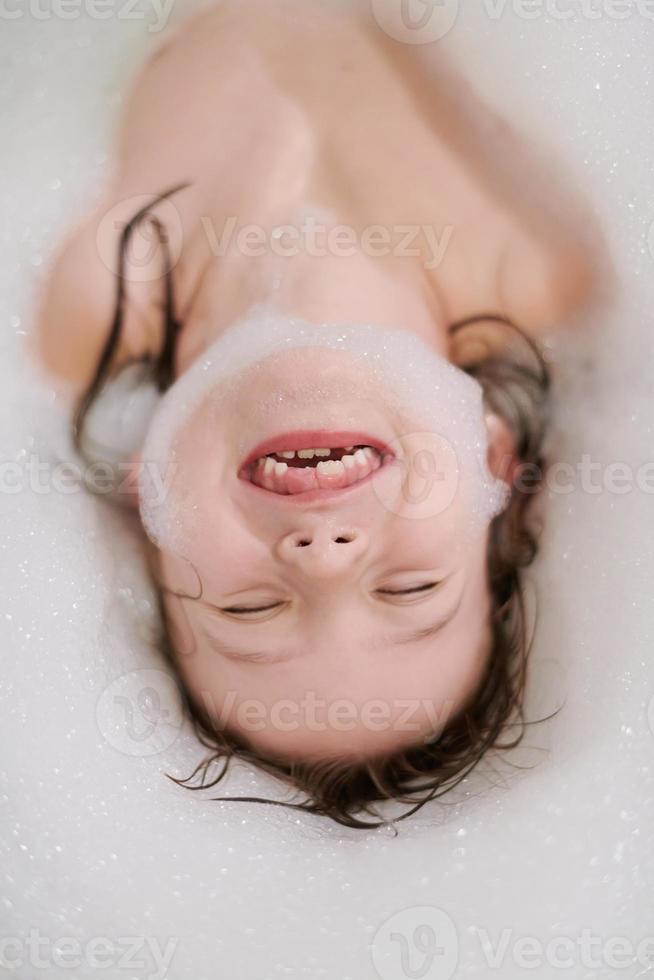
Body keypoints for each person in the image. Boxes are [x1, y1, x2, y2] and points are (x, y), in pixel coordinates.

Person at [34, 0, 593, 827]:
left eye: (250, 609)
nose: (324, 557)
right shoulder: (533, 262)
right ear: (494, 463)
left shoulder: (85, 307)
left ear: (146, 494)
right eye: (410, 588)